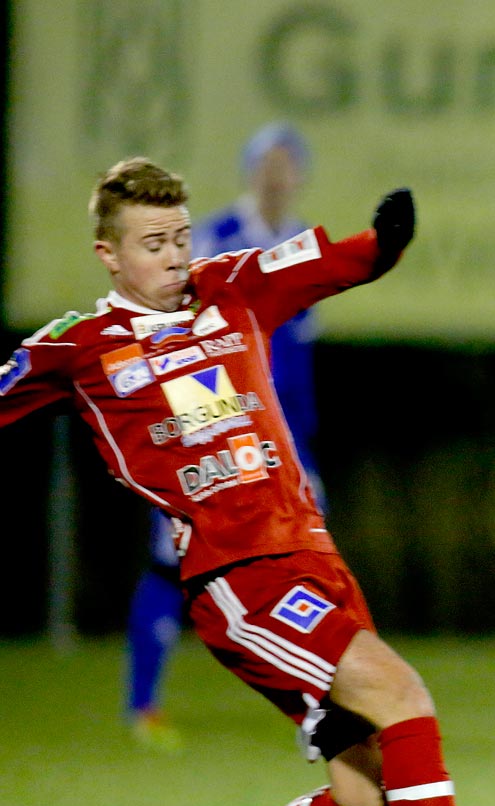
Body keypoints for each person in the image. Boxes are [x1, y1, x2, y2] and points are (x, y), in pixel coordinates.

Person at [0, 157, 495, 806]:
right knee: (401, 695)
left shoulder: (234, 287)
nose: (176, 256)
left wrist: (384, 239)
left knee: (365, 805)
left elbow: (337, 263)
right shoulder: (79, 349)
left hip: (316, 559)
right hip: (238, 578)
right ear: (109, 254)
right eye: (153, 243)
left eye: (181, 236)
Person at [125, 123, 321, 752]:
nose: (277, 173)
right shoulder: (215, 237)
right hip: (215, 426)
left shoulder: (300, 246)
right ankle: (142, 704)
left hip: (282, 436)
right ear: (249, 169)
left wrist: (301, 436)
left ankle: (318, 707)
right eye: (267, 161)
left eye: (287, 163)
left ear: (299, 174)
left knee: (309, 561)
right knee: (171, 563)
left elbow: (297, 354)